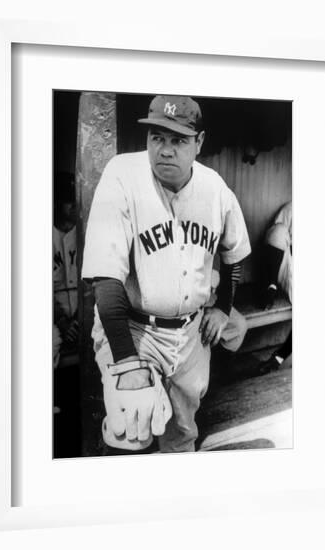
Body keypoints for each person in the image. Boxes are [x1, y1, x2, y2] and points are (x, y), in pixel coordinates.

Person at [82, 95, 251, 453]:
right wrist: (128, 363)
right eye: (157, 137)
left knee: (181, 436)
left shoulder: (215, 188)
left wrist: (223, 309)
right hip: (133, 326)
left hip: (190, 335)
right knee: (130, 429)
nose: (166, 150)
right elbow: (106, 277)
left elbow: (234, 253)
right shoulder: (122, 175)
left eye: (178, 140)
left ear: (199, 142)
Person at [258, 201, 292, 372]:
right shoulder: (293, 207)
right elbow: (274, 236)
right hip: (289, 266)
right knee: (278, 230)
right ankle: (269, 286)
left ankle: (278, 357)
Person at [53, 172, 79, 369]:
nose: (72, 206)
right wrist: (62, 322)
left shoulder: (85, 233)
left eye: (74, 200)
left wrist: (79, 321)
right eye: (67, 201)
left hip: (82, 316)